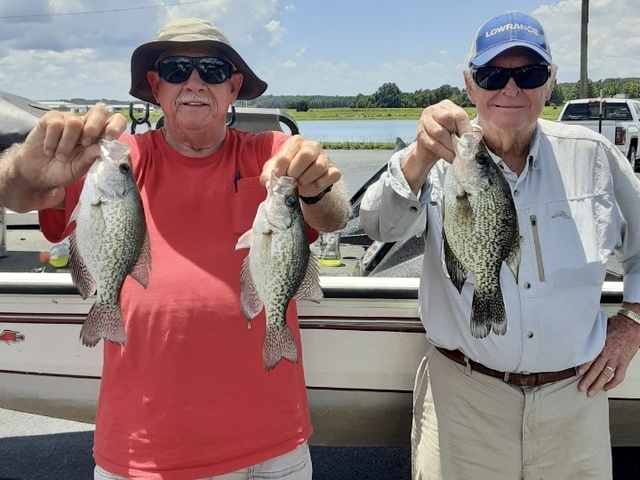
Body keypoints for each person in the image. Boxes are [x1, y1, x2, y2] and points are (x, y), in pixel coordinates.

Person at [0, 18, 350, 480]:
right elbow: (18, 195)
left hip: (272, 448)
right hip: (143, 450)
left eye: (212, 70)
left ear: (234, 87)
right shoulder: (118, 160)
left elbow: (335, 214)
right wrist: (25, 168)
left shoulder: (271, 153)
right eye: (177, 68)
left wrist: (315, 185)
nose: (194, 82)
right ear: (155, 86)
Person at [360, 11, 640, 480]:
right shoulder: (437, 155)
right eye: (493, 75)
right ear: (470, 86)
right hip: (463, 403)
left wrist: (632, 323)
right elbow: (377, 226)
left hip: (575, 401)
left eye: (528, 74)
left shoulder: (594, 156)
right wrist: (417, 157)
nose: (510, 89)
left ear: (550, 84)